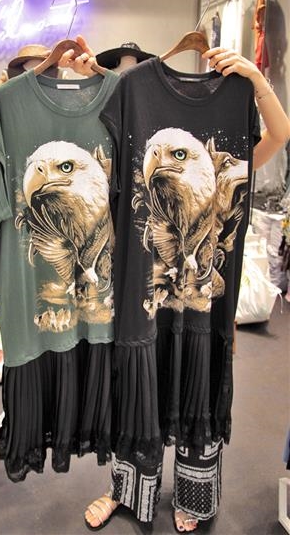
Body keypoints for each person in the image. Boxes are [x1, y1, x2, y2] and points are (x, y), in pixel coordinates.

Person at [69, 44, 289, 533]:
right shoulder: (135, 90)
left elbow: (280, 134)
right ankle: (125, 489)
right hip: (142, 296)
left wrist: (258, 82)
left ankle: (194, 494)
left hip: (206, 304)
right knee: (137, 389)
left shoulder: (235, 114)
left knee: (199, 384)